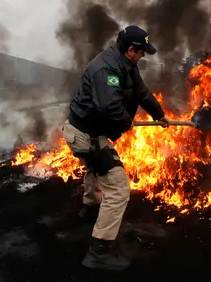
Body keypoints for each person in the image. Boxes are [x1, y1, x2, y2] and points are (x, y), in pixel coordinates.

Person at [62, 25, 170, 271]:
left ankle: (89, 210)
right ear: (131, 49)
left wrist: (158, 114)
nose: (143, 56)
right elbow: (108, 107)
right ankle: (99, 251)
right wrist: (126, 121)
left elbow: (141, 92)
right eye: (142, 52)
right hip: (86, 136)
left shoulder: (126, 65)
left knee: (95, 168)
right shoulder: (106, 69)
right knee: (119, 189)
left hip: (89, 134)